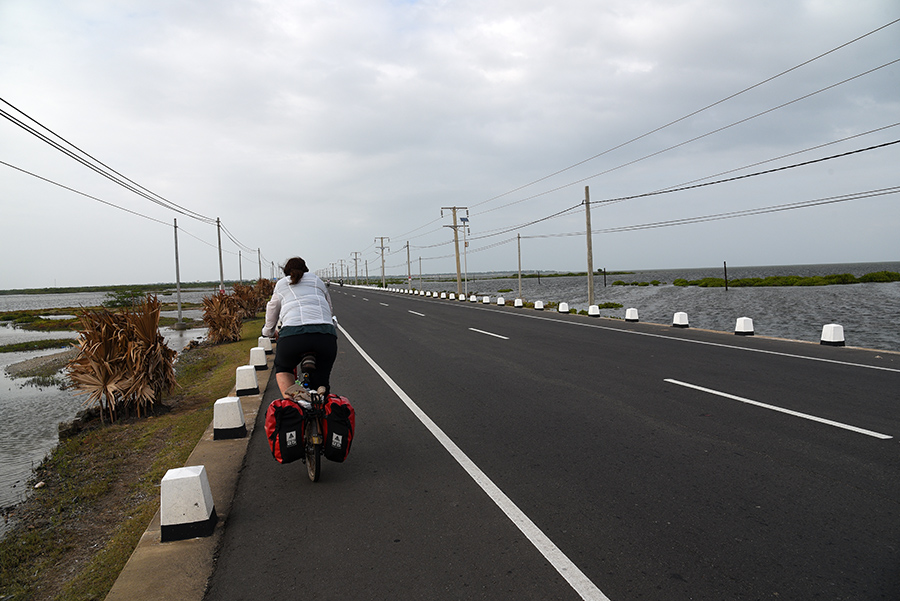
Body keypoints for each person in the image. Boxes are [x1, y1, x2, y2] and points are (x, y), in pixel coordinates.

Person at [262, 257, 337, 398]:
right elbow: (329, 309)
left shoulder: (282, 284)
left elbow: (272, 308)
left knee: (283, 367)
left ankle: (295, 400)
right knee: (322, 381)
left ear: (287, 272)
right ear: (306, 269)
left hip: (293, 336)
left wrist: (269, 331)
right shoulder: (317, 280)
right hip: (325, 336)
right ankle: (321, 401)